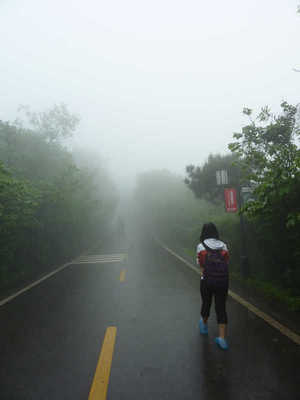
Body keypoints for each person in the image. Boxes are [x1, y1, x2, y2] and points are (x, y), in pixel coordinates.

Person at [196, 222, 229, 350]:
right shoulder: (223, 245)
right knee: (221, 307)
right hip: (223, 281)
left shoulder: (201, 246)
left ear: (203, 232)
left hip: (207, 280)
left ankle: (203, 326)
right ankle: (222, 338)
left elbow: (199, 263)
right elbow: (226, 262)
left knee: (206, 303)